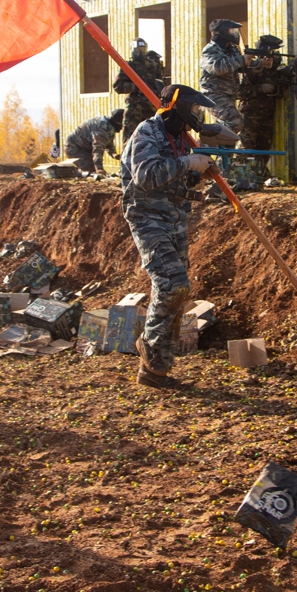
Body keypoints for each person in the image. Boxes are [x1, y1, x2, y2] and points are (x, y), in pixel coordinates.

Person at [120, 84, 217, 388]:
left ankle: (155, 370)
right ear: (181, 106)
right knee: (173, 284)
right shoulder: (147, 133)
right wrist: (189, 162)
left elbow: (177, 180)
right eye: (195, 110)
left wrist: (201, 175)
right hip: (148, 218)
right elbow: (147, 175)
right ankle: (149, 345)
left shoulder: (179, 138)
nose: (197, 116)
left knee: (177, 292)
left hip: (174, 218)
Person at [237, 34, 294, 182]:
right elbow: (240, 91)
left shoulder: (277, 71)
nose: (270, 59)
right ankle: (243, 179)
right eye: (268, 56)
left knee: (263, 148)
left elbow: (281, 88)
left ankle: (259, 177)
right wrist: (260, 88)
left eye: (274, 55)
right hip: (249, 114)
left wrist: (281, 91)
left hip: (267, 114)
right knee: (246, 147)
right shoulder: (251, 69)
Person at [113, 39, 165, 142]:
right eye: (137, 49)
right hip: (134, 107)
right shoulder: (128, 66)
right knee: (130, 137)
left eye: (142, 48)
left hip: (151, 106)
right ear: (132, 49)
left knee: (155, 135)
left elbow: (160, 84)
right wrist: (138, 87)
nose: (140, 51)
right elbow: (118, 86)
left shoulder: (153, 65)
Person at [65, 109, 124, 176]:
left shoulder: (108, 125)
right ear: (119, 122)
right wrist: (99, 169)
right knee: (91, 173)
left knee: (94, 172)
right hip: (75, 147)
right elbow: (98, 150)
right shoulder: (102, 128)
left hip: (84, 147)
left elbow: (107, 142)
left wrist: (113, 154)